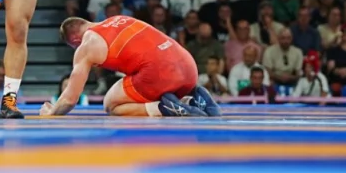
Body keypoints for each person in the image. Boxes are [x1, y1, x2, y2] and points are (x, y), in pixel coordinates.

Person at [41, 15, 222, 117]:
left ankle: (165, 108)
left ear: (74, 40)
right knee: (148, 79)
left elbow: (70, 99)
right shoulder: (119, 18)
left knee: (110, 105)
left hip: (160, 74)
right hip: (189, 68)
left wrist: (50, 113)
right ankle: (192, 98)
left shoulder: (87, 44)